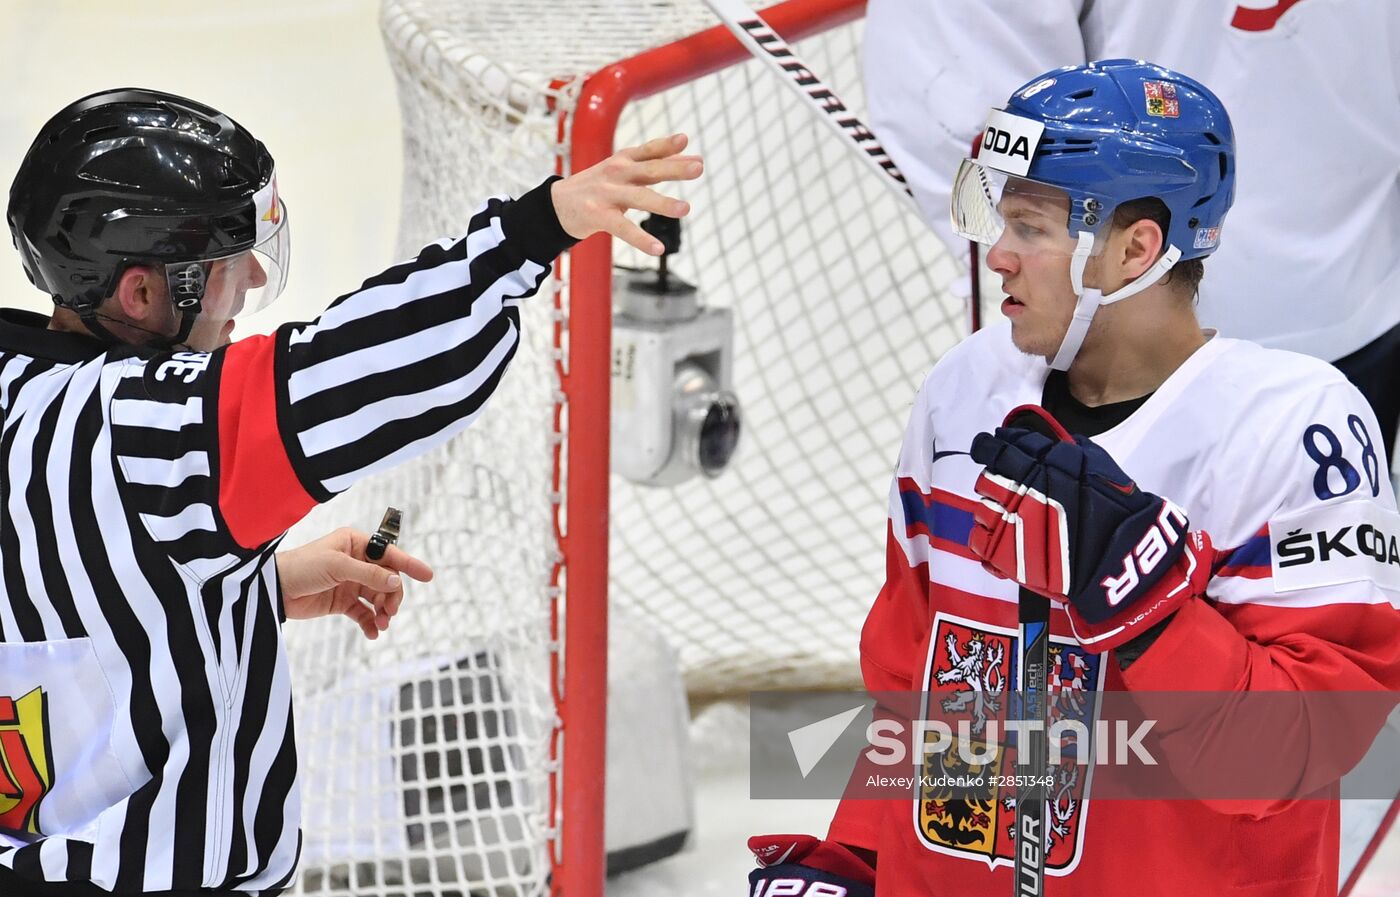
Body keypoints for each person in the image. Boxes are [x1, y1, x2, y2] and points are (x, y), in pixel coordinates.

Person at [0, 87, 700, 895]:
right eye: (228, 262)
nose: (254, 276)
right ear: (144, 293)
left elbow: (59, 618)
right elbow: (362, 365)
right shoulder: (155, 431)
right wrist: (533, 231)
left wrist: (257, 588)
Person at [746, 61, 1400, 896]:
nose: (998, 255)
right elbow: (916, 678)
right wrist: (858, 857)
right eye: (999, 217)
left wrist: (1151, 606)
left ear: (1136, 249)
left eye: (1031, 227)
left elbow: (1294, 755)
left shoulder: (1292, 426)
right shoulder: (967, 388)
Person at [863, 0, 1400, 466]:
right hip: (1345, 298)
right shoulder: (959, 391)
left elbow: (957, 95)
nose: (999, 256)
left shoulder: (1320, 408)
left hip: (1354, 312)